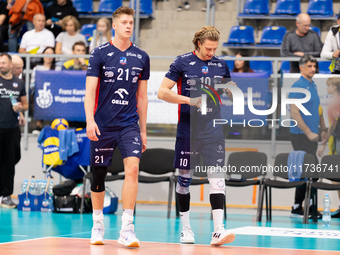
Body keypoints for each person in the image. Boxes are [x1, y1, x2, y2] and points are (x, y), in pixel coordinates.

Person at [157, 26, 235, 246]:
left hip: (213, 129)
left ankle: (218, 230)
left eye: (214, 49)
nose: (211, 52)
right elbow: (162, 92)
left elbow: (225, 86)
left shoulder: (221, 64)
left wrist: (229, 89)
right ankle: (186, 229)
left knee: (218, 179)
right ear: (198, 43)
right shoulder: (181, 62)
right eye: (208, 48)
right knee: (184, 181)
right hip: (188, 130)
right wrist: (188, 100)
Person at [84, 6, 149, 247]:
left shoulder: (142, 56)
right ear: (114, 25)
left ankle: (127, 229)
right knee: (98, 175)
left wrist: (143, 130)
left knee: (132, 169)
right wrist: (90, 120)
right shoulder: (99, 53)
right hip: (102, 124)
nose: (129, 25)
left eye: (131, 22)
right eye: (124, 22)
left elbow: (142, 98)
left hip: (129, 124)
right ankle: (98, 224)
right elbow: (90, 91)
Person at [289, 55, 327, 218]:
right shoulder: (298, 86)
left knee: (306, 172)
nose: (313, 69)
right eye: (310, 66)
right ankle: (309, 208)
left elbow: (317, 109)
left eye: (314, 66)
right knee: (312, 172)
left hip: (313, 135)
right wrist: (309, 132)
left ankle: (298, 207)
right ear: (301, 67)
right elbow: (295, 114)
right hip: (301, 136)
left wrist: (323, 128)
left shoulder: (313, 85)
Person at [0, 53, 28, 208]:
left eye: (3, 63)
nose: (1, 65)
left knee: (10, 163)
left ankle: (6, 196)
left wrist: (20, 109)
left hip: (12, 128)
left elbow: (25, 104)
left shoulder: (19, 83)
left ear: (10, 64)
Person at [317, 77, 340, 218]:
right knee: (335, 174)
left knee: (336, 173)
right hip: (335, 139)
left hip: (337, 140)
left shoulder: (336, 103)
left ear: (334, 87)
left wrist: (323, 143)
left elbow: (333, 125)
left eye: (329, 86)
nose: (327, 88)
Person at [30, 47, 56, 131]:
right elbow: (32, 84)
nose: (49, 56)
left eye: (51, 54)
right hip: (40, 91)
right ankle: (39, 125)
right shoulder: (37, 68)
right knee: (36, 96)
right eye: (47, 54)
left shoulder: (57, 68)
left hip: (55, 91)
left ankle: (55, 124)